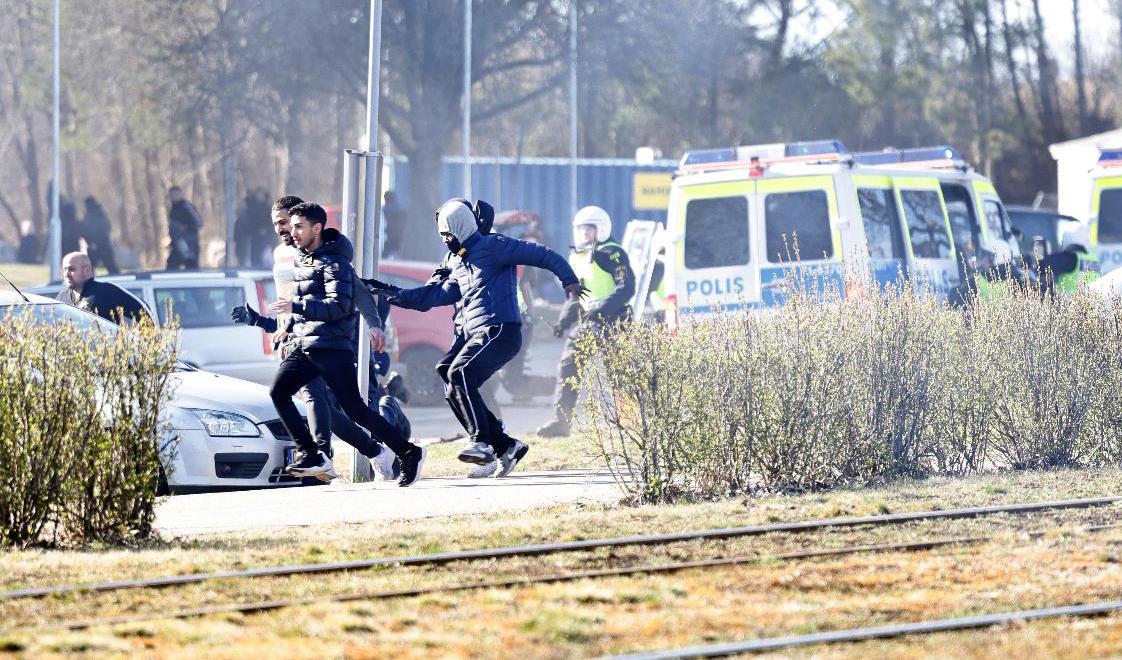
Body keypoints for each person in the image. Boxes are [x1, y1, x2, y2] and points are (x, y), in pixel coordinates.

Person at [365, 198, 583, 478]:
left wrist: (569, 280)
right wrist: (388, 291)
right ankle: (506, 447)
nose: (445, 240)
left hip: (501, 329)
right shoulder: (457, 261)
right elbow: (432, 296)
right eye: (442, 236)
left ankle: (481, 442)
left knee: (462, 373)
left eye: (448, 234)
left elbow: (542, 254)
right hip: (474, 333)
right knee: (446, 373)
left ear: (461, 228)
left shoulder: (494, 245)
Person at [232, 195, 402, 481]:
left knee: (320, 400)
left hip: (321, 334)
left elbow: (356, 290)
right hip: (295, 333)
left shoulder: (321, 252)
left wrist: (373, 323)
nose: (282, 230)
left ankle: (323, 456)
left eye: (286, 223)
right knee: (321, 406)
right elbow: (287, 296)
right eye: (276, 224)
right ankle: (373, 452)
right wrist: (273, 324)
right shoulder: (281, 254)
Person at [265, 202, 425, 485]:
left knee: (354, 410)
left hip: (331, 347)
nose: (288, 230)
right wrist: (288, 325)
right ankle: (312, 453)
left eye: (294, 224)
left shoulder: (333, 262)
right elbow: (306, 296)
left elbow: (339, 304)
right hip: (305, 343)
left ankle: (406, 452)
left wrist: (373, 323)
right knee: (280, 392)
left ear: (315, 227)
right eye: (283, 224)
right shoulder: (304, 257)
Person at [537, 206, 635, 438]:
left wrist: (601, 308)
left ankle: (630, 424)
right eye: (580, 230)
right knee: (568, 368)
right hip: (589, 323)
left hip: (616, 320)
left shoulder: (612, 253)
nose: (583, 234)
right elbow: (575, 295)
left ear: (600, 229)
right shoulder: (577, 256)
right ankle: (561, 422)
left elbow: (627, 287)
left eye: (588, 230)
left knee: (621, 374)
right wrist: (563, 323)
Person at [56, 251, 149, 324]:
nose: (66, 274)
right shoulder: (62, 298)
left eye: (71, 269)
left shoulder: (106, 291)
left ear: (87, 270)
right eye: (64, 269)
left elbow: (143, 311)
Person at [1038, 224, 1101, 296]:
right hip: (1092, 302)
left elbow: (1044, 266)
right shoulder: (1093, 258)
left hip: (1071, 303)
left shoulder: (1069, 258)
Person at [166, 186, 202, 270]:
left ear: (180, 194)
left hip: (189, 244)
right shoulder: (173, 208)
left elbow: (199, 222)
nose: (173, 197)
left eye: (175, 194)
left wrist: (186, 227)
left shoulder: (186, 206)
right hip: (177, 243)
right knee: (171, 267)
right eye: (171, 195)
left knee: (191, 267)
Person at [234, 190, 273, 268]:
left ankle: (255, 265)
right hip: (252, 238)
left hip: (258, 238)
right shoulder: (249, 211)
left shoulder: (259, 211)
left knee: (258, 257)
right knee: (253, 256)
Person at [81, 196, 119, 274]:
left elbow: (88, 230)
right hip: (102, 244)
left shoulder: (92, 214)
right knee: (110, 266)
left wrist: (91, 242)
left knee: (93, 267)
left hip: (97, 245)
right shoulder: (100, 212)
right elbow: (107, 227)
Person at [381, 190, 406, 258]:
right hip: (396, 235)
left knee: (387, 254)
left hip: (395, 236)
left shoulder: (392, 209)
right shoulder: (400, 208)